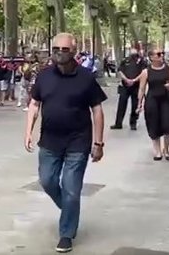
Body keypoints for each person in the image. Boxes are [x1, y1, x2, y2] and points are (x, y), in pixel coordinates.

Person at [23, 33, 107, 254]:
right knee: (47, 181)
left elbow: (97, 110)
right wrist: (28, 131)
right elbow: (34, 104)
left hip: (78, 141)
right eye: (56, 49)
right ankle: (70, 211)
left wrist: (98, 142)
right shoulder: (44, 76)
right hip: (50, 141)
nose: (59, 53)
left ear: (74, 50)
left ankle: (66, 234)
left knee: (71, 189)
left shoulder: (86, 77)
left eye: (65, 49)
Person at [136, 48, 169, 161]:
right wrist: (139, 104)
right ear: (151, 57)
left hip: (167, 99)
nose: (161, 55)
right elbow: (142, 89)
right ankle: (157, 151)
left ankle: (166, 149)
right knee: (153, 124)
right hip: (152, 100)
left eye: (162, 53)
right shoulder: (146, 72)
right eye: (158, 54)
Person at [111, 49, 146, 131]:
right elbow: (120, 71)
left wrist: (134, 80)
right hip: (125, 86)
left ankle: (133, 123)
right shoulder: (125, 60)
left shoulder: (141, 61)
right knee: (121, 104)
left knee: (135, 105)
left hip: (136, 86)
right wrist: (126, 79)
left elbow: (144, 72)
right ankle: (118, 123)